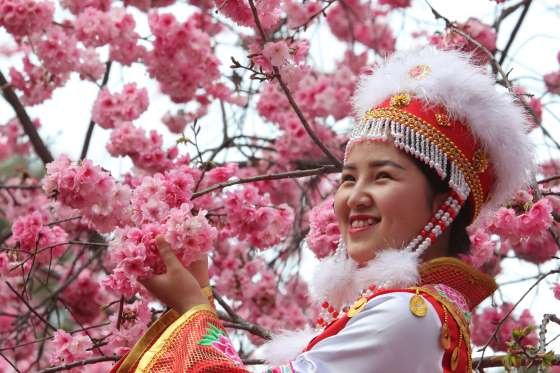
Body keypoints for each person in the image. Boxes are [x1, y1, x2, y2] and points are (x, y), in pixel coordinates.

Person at [110, 47, 534, 372]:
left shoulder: (408, 314)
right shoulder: (421, 313)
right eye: (349, 178)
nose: (354, 196)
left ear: (445, 202)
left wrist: (195, 313)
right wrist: (198, 301)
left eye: (383, 176)